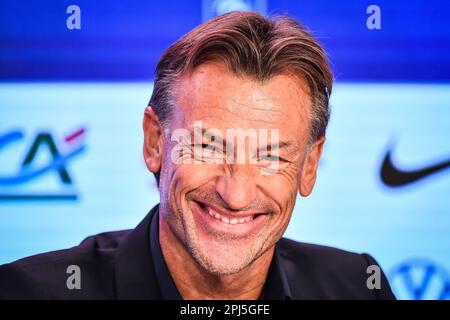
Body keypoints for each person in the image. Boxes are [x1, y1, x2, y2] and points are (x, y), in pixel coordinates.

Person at [0, 11, 395, 300]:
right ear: (155, 142)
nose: (236, 195)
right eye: (208, 147)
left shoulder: (359, 286)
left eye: (270, 156)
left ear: (309, 166)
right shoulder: (28, 293)